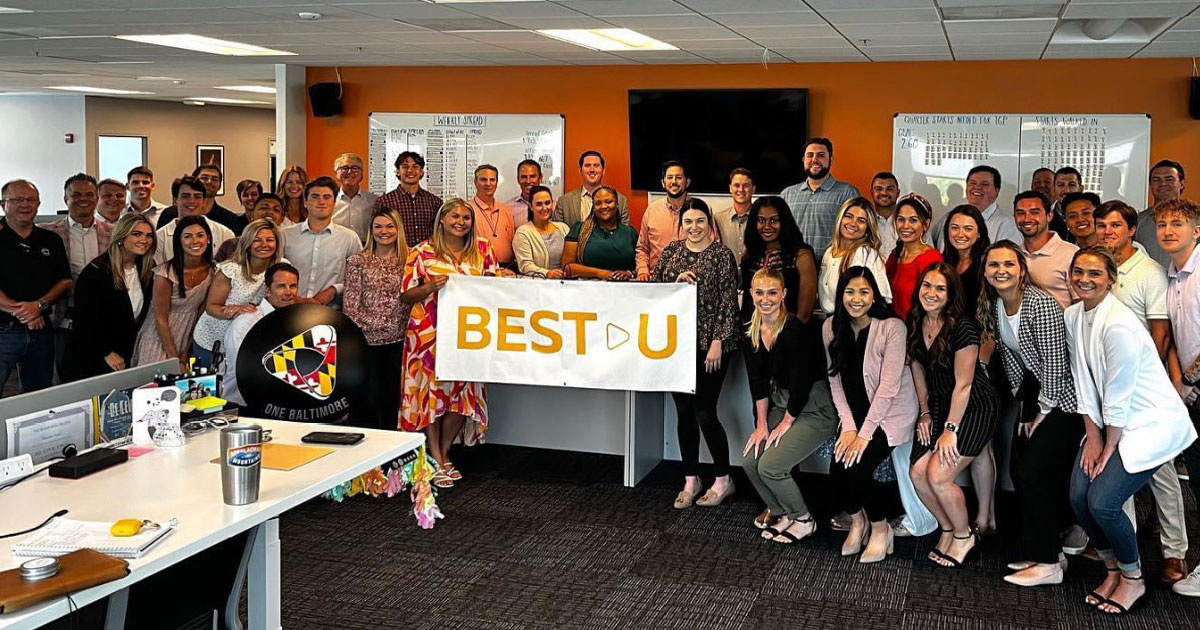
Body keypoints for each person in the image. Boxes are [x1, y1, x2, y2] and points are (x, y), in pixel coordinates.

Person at [1064, 246, 1196, 614]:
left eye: (1094, 274)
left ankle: (1133, 578)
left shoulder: (1119, 323)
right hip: (1108, 423)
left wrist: (1108, 450)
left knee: (1102, 502)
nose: (1085, 279)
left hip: (1148, 423)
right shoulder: (1074, 315)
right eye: (1079, 272)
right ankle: (1112, 570)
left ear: (1111, 279)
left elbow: (1120, 394)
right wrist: (1092, 438)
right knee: (1078, 495)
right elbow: (1083, 380)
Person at [1094, 199, 1191, 583]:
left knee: (1160, 469)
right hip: (1107, 384)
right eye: (1102, 226)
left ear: (1132, 230)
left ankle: (1175, 550)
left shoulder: (1148, 271)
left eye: (1115, 226)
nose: (1107, 232)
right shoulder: (1097, 266)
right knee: (1119, 468)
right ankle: (1126, 544)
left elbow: (1160, 332)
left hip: (1143, 388)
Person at [979, 241, 1082, 587]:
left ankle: (1049, 563)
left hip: (1063, 402)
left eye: (1008, 264)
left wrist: (1043, 411)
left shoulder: (1040, 304)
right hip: (1035, 399)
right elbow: (1012, 358)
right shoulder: (996, 304)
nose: (1001, 271)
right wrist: (1024, 406)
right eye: (994, 265)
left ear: (1022, 269)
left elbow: (1055, 364)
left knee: (1033, 473)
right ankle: (1047, 550)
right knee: (1021, 473)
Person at [400, 198, 510, 488]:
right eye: (455, 217)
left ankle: (445, 453)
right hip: (428, 335)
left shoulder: (483, 249)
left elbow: (494, 287)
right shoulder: (421, 252)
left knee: (462, 396)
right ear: (442, 220)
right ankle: (434, 458)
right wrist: (429, 287)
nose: (461, 222)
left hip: (468, 336)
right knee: (430, 397)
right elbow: (406, 295)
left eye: (466, 217)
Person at [907, 263, 998, 567]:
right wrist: (923, 412)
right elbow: (917, 368)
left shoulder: (963, 326)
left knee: (939, 475)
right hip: (936, 407)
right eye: (927, 286)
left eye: (940, 289)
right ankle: (947, 528)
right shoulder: (915, 318)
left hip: (973, 406)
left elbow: (965, 384)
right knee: (918, 474)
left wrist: (950, 429)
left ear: (951, 294)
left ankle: (963, 534)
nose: (931, 294)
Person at [652, 198, 740, 509]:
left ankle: (722, 478)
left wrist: (718, 340)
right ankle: (690, 478)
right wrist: (673, 283)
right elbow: (653, 289)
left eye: (700, 221)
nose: (694, 227)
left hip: (712, 346)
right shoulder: (672, 252)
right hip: (678, 346)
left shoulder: (721, 255)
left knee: (705, 411)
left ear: (709, 224)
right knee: (684, 414)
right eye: (688, 222)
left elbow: (730, 301)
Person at [823, 266, 915, 563]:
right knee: (838, 468)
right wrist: (849, 428)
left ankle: (880, 527)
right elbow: (834, 381)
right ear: (841, 296)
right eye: (849, 292)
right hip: (855, 417)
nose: (856, 298)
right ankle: (859, 521)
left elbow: (888, 388)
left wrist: (864, 435)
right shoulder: (830, 327)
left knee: (859, 467)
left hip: (889, 416)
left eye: (864, 291)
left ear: (874, 294)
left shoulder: (892, 327)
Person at [741, 268, 838, 544]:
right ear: (751, 294)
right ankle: (782, 513)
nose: (765, 299)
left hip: (812, 408)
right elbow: (757, 382)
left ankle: (804, 519)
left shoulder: (794, 330)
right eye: (759, 292)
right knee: (750, 461)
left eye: (772, 292)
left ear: (783, 294)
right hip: (783, 403)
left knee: (771, 465)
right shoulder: (751, 329)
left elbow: (802, 384)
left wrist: (784, 423)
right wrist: (762, 425)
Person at [939, 204, 1000, 534]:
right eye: (954, 228)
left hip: (981, 361)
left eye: (967, 228)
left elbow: (991, 317)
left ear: (979, 233)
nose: (960, 234)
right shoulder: (945, 265)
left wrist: (984, 362)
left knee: (981, 445)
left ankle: (986, 516)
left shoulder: (984, 266)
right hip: (952, 358)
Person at [1158, 198, 1200, 596]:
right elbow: (1176, 334)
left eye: (1178, 223)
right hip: (1190, 389)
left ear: (1197, 230)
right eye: (1164, 224)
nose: (1169, 230)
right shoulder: (1173, 273)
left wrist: (1190, 377)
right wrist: (1179, 383)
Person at [59, 214, 156, 382]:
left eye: (148, 235)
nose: (144, 240)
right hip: (91, 360)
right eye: (137, 234)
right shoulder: (96, 272)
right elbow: (85, 321)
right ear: (121, 236)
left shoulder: (146, 269)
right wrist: (106, 352)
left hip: (125, 357)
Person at [0, 179, 70, 395]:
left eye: (31, 200)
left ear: (38, 204)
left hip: (41, 331)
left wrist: (39, 306)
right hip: (3, 331)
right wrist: (26, 313)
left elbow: (65, 280)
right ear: (4, 204)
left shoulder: (50, 239)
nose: (25, 204)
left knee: (38, 398)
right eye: (17, 199)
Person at [344, 208, 409, 430]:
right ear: (371, 230)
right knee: (367, 401)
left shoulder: (410, 260)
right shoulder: (357, 261)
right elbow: (350, 305)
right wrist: (373, 327)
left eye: (390, 226)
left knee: (394, 400)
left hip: (400, 342)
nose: (384, 231)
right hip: (366, 343)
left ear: (398, 229)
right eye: (378, 226)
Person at [192, 219, 285, 368]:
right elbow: (211, 307)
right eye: (257, 240)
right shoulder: (230, 269)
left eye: (270, 240)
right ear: (247, 244)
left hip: (247, 344)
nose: (264, 245)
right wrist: (235, 310)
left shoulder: (281, 268)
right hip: (212, 343)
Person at [132, 215, 214, 372]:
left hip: (187, 339)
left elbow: (200, 315)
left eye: (200, 235)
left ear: (208, 239)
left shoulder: (212, 271)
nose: (195, 241)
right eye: (187, 236)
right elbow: (160, 318)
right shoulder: (165, 274)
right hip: (158, 338)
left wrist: (185, 352)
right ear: (179, 241)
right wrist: (173, 358)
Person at [221, 262, 299, 407]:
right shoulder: (246, 322)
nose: (288, 292)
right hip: (242, 404)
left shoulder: (294, 319)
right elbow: (244, 370)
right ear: (267, 290)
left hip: (277, 401)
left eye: (293, 286)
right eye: (281, 286)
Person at [282, 176, 363, 306]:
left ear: (334, 202)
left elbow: (359, 278)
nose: (321, 202)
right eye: (314, 196)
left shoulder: (349, 238)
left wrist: (335, 289)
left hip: (330, 311)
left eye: (327, 197)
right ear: (305, 202)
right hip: (289, 308)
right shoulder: (285, 235)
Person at [738, 196, 817, 324]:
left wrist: (787, 337)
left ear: (784, 222)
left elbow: (805, 312)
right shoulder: (751, 255)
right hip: (751, 335)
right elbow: (747, 305)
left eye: (774, 220)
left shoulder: (801, 256)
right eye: (761, 220)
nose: (767, 226)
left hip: (789, 336)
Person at [780, 137, 860, 256]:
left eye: (821, 155)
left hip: (831, 267)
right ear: (803, 160)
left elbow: (857, 236)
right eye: (810, 155)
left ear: (831, 159)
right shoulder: (787, 194)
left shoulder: (848, 193)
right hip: (794, 267)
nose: (814, 159)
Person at [817, 197, 892, 315]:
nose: (853, 223)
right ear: (840, 218)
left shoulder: (866, 254)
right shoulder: (829, 252)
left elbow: (881, 298)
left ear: (868, 228)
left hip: (855, 325)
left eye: (861, 220)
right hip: (831, 323)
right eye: (849, 216)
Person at [932, 166, 1022, 249]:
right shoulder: (949, 218)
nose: (977, 188)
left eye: (985, 184)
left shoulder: (1008, 225)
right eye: (972, 183)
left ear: (997, 191)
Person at [1016, 190, 1078, 309]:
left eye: (1034, 212)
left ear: (1049, 216)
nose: (1027, 218)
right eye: (1020, 213)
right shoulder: (1014, 254)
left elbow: (1082, 305)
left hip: (1060, 326)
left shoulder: (1071, 254)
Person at [154, 176, 236, 265]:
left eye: (197, 196)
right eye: (186, 196)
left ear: (203, 201)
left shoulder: (225, 234)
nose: (192, 201)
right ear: (175, 201)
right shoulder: (160, 237)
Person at [561, 186, 637, 281]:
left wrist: (629, 273)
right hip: (588, 290)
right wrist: (600, 273)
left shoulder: (630, 233)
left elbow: (642, 265)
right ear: (593, 207)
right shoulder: (579, 230)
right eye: (598, 203)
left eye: (608, 202)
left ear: (617, 204)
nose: (604, 206)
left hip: (625, 291)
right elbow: (566, 267)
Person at [885, 194, 942, 318]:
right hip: (894, 330)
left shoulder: (931, 259)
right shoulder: (895, 255)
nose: (905, 226)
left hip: (916, 332)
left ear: (926, 224)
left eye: (913, 220)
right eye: (901, 219)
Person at [636, 160, 692, 280]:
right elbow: (642, 248)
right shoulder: (652, 211)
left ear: (687, 182)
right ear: (663, 182)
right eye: (670, 177)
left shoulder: (700, 210)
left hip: (691, 283)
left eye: (678, 177)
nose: (674, 182)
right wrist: (642, 271)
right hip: (657, 282)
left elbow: (713, 246)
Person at [374, 151, 442, 247]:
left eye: (415, 167)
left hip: (427, 257)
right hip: (397, 257)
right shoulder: (384, 202)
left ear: (421, 171)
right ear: (398, 171)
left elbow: (440, 232)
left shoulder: (435, 202)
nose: (410, 170)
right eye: (405, 167)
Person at [553, 150, 630, 226]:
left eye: (596, 165)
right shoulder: (564, 202)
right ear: (580, 170)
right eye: (587, 165)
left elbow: (624, 235)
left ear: (603, 171)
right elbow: (559, 234)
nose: (592, 170)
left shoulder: (621, 201)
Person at [155, 165, 242, 232]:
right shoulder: (169, 214)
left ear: (219, 185)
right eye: (204, 178)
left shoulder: (230, 219)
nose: (209, 182)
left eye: (214, 179)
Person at [1138, 159, 1185, 269]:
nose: (1163, 184)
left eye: (1169, 179)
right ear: (1150, 185)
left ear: (1181, 184)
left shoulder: (1195, 219)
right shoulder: (1138, 220)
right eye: (1156, 180)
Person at [512, 186, 568, 278]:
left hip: (565, 284)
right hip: (539, 286)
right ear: (531, 206)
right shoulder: (523, 233)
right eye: (539, 204)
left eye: (547, 203)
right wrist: (547, 273)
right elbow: (525, 265)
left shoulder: (564, 228)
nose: (544, 207)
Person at [468, 164, 516, 270]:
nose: (488, 184)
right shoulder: (467, 209)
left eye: (492, 180)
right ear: (475, 182)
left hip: (508, 269)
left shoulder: (505, 210)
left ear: (497, 182)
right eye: (483, 180)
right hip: (479, 268)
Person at [215, 193, 287, 262]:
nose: (270, 212)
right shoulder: (231, 246)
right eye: (264, 208)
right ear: (251, 215)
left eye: (276, 210)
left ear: (282, 218)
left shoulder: (286, 245)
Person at [332, 152, 376, 241]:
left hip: (365, 250)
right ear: (336, 173)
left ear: (362, 174)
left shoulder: (374, 201)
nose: (349, 172)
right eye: (345, 168)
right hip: (336, 249)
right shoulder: (328, 200)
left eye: (355, 168)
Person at [713, 167, 755, 261]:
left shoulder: (760, 219)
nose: (741, 189)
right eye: (736, 185)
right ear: (730, 188)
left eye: (746, 185)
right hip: (726, 275)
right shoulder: (718, 219)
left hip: (755, 274)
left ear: (753, 189)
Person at [869, 171, 900, 255]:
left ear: (898, 193)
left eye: (890, 189)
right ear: (872, 193)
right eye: (878, 189)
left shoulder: (911, 222)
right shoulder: (864, 221)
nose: (884, 193)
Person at [506, 159, 541, 228]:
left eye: (532, 176)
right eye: (524, 177)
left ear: (540, 178)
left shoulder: (553, 207)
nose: (528, 181)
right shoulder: (507, 209)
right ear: (518, 179)